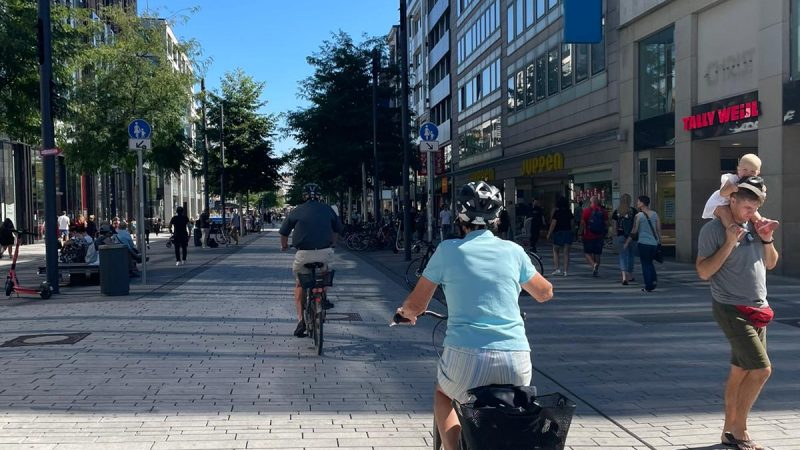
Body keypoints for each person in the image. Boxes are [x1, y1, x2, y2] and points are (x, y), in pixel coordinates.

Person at [395, 181, 554, 450]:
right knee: (510, 410)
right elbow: (544, 293)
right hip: (515, 359)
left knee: (443, 394)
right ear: (498, 218)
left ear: (459, 217)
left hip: (466, 356)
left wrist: (406, 314)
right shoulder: (514, 252)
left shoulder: (448, 250)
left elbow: (417, 303)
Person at [695, 176, 778, 450]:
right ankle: (740, 431)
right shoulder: (714, 230)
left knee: (740, 372)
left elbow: (772, 263)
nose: (751, 211)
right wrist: (730, 242)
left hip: (758, 308)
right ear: (731, 200)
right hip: (731, 307)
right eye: (747, 206)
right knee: (761, 369)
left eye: (755, 206)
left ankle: (727, 433)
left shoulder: (755, 226)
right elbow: (704, 272)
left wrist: (767, 240)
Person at [279, 183, 343, 338]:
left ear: (304, 196)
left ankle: (301, 321)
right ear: (319, 196)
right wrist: (333, 243)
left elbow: (284, 231)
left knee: (300, 284)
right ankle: (323, 296)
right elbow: (337, 230)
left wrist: (285, 246)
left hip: (304, 254)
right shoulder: (327, 209)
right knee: (324, 273)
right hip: (324, 252)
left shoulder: (297, 210)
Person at [702, 153, 779, 235]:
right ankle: (734, 230)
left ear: (758, 173)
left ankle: (761, 223)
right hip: (721, 203)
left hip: (738, 204)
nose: (748, 173)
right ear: (738, 169)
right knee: (724, 212)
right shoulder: (732, 179)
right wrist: (731, 188)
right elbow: (722, 193)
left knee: (752, 210)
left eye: (752, 171)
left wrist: (762, 189)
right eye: (745, 170)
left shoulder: (754, 182)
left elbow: (763, 190)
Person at [625, 195, 660, 292]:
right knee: (650, 263)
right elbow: (658, 229)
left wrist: (627, 242)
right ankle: (653, 281)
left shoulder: (638, 216)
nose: (637, 203)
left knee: (645, 264)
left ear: (642, 203)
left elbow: (634, 230)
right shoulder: (655, 214)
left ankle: (648, 285)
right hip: (653, 243)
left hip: (643, 243)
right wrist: (659, 242)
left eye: (638, 201)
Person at [578, 196, 608, 277]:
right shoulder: (603, 211)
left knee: (587, 253)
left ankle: (593, 264)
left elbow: (582, 223)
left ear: (590, 202)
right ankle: (596, 269)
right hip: (599, 236)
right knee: (597, 254)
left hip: (588, 235)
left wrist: (580, 233)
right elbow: (606, 223)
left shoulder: (586, 211)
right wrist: (605, 233)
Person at [612, 193, 638, 285]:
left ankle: (624, 276)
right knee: (631, 256)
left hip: (621, 235)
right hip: (632, 237)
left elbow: (614, 225)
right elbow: (636, 225)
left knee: (622, 256)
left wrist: (615, 233)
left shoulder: (617, 211)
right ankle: (630, 275)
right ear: (630, 201)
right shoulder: (634, 211)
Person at [546, 197, 574, 276]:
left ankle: (557, 268)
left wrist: (549, 233)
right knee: (566, 253)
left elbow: (553, 224)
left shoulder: (557, 212)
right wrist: (573, 231)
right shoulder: (569, 212)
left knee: (555, 250)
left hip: (558, 233)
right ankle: (565, 271)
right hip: (568, 232)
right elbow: (572, 223)